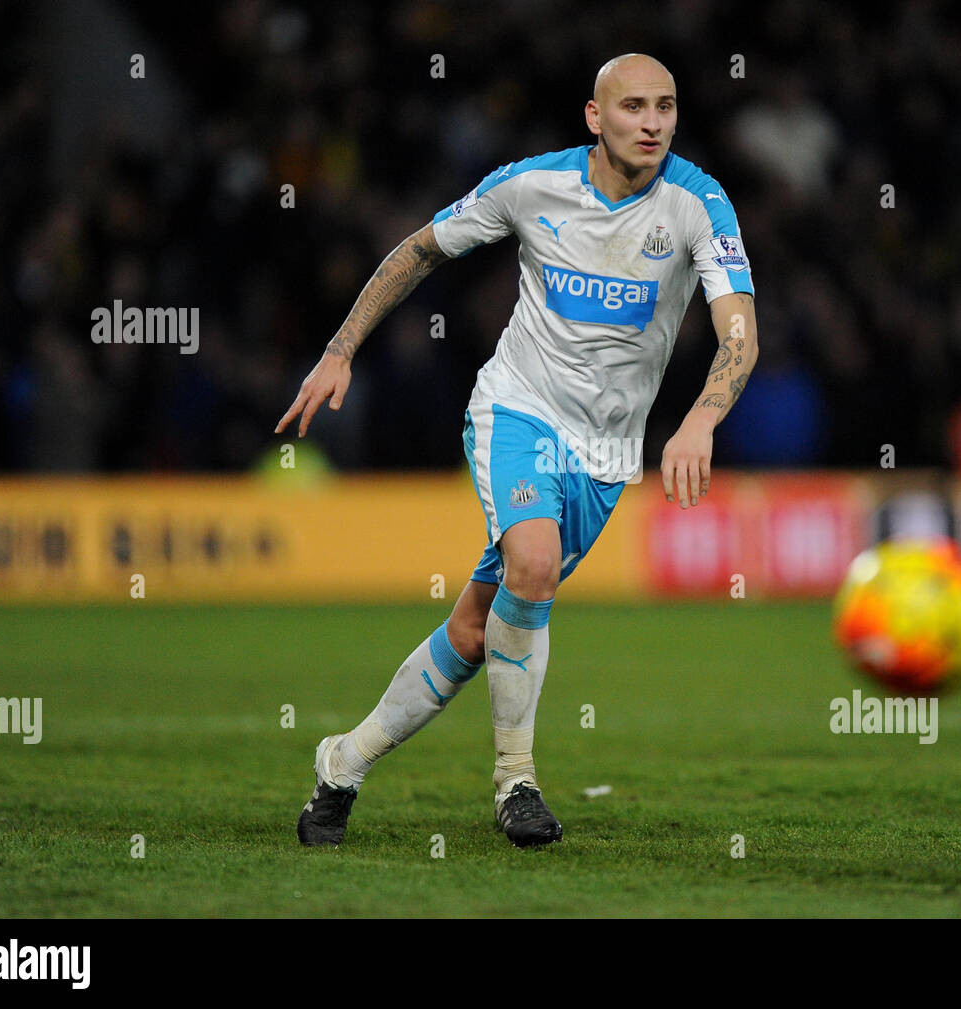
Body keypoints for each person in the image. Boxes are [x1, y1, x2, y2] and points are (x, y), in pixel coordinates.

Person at [275, 53, 758, 848]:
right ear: (594, 118)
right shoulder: (531, 186)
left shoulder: (699, 202)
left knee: (475, 630)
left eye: (666, 106)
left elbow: (739, 326)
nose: (652, 121)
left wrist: (703, 417)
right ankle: (516, 782)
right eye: (633, 106)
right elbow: (420, 250)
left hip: (606, 454)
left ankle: (342, 761)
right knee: (532, 563)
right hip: (518, 410)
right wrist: (341, 347)